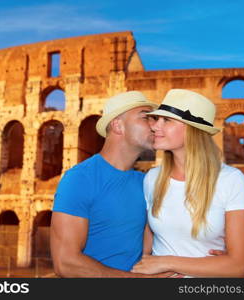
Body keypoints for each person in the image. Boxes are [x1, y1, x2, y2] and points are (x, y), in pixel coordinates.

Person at [131, 89, 244, 278]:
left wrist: (167, 262)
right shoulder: (152, 178)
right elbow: (146, 254)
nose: (155, 126)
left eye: (167, 120)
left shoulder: (231, 180)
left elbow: (238, 268)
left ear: (192, 129)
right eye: (157, 119)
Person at [50, 91, 169, 277]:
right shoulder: (80, 179)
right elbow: (65, 263)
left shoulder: (146, 182)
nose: (155, 125)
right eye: (147, 117)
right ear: (118, 125)